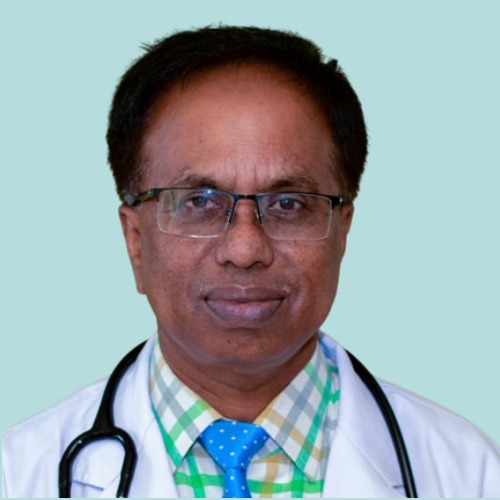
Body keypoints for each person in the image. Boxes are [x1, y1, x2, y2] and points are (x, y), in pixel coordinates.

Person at [2, 26, 499, 499]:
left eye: (289, 204)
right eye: (199, 201)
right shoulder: (18, 474)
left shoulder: (470, 474)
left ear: (341, 231)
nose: (244, 250)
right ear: (135, 240)